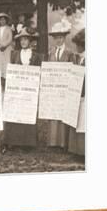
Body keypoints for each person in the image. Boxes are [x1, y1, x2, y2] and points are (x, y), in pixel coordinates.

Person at [3, 27, 43, 150]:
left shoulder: (37, 56)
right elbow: (12, 71)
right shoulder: (14, 54)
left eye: (26, 39)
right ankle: (13, 141)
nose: (23, 42)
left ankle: (28, 143)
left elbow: (39, 73)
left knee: (28, 113)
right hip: (17, 89)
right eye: (21, 40)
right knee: (15, 113)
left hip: (29, 90)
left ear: (30, 41)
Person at [46, 22, 74, 149]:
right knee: (53, 112)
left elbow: (73, 71)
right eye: (56, 38)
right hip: (53, 88)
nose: (58, 40)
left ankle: (63, 142)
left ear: (64, 38)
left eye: (61, 37)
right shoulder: (51, 53)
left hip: (65, 88)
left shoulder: (69, 53)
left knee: (63, 113)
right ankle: (53, 142)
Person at [68, 28, 86, 156]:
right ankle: (77, 150)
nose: (76, 47)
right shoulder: (80, 58)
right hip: (79, 93)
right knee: (78, 120)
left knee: (84, 122)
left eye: (78, 45)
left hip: (85, 93)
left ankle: (83, 150)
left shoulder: (86, 58)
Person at [0, 13, 13, 78]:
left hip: (6, 48)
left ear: (6, 21)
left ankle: (5, 77)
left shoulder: (9, 29)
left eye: (4, 20)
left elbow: (10, 39)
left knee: (6, 62)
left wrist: (4, 45)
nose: (2, 21)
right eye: (1, 20)